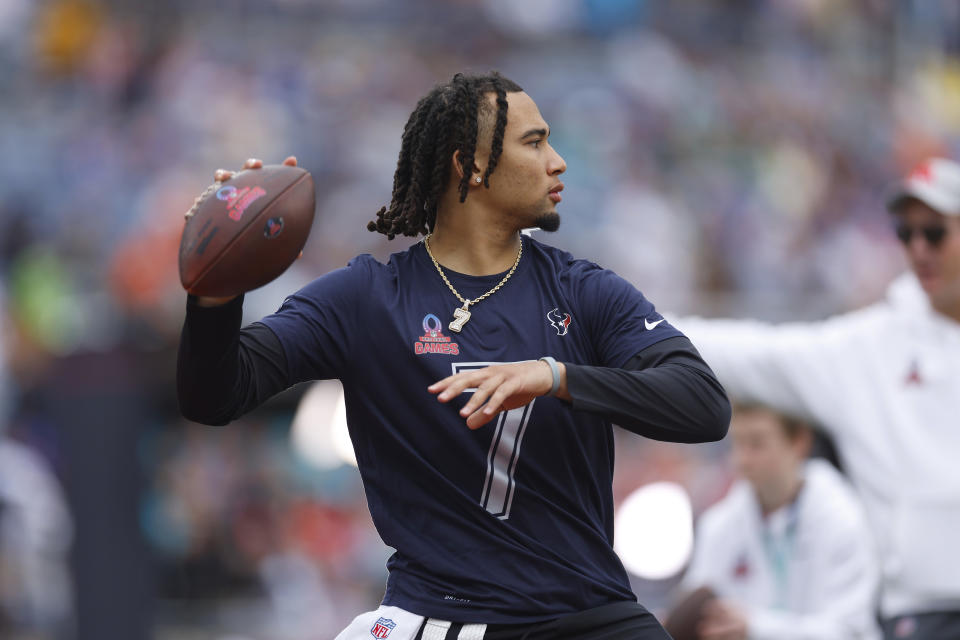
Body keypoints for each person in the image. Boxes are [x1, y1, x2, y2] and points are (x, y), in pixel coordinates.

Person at [177, 72, 731, 640]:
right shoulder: (366, 298)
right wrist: (214, 291)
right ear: (470, 166)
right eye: (535, 142)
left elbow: (704, 405)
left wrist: (556, 376)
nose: (558, 161)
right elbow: (215, 394)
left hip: (588, 612)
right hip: (440, 617)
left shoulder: (584, 291)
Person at [671, 157, 960, 640]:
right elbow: (751, 353)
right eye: (905, 233)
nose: (917, 248)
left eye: (934, 233)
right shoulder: (869, 347)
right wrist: (622, 325)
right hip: (921, 617)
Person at [667, 403, 880, 640]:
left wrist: (756, 629)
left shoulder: (843, 519)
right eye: (737, 443)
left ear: (800, 442)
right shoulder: (718, 525)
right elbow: (695, 610)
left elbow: (849, 632)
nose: (742, 460)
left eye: (757, 444)